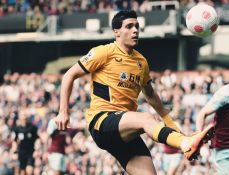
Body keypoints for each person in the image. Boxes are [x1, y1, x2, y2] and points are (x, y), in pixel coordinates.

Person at [54, 10, 214, 174]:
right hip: (102, 121)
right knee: (145, 118)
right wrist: (63, 112)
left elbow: (150, 95)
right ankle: (186, 143)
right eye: (129, 26)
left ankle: (184, 141)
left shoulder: (141, 62)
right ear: (116, 32)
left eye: (137, 26)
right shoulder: (103, 52)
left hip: (125, 129)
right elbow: (69, 75)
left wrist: (172, 124)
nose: (135, 30)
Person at [12, 110, 38, 175]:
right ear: (20, 116)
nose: (24, 117)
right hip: (21, 153)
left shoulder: (32, 127)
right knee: (22, 172)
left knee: (29, 171)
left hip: (30, 152)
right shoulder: (17, 128)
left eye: (25, 115)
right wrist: (14, 152)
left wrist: (37, 150)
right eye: (23, 115)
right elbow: (15, 141)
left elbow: (37, 139)